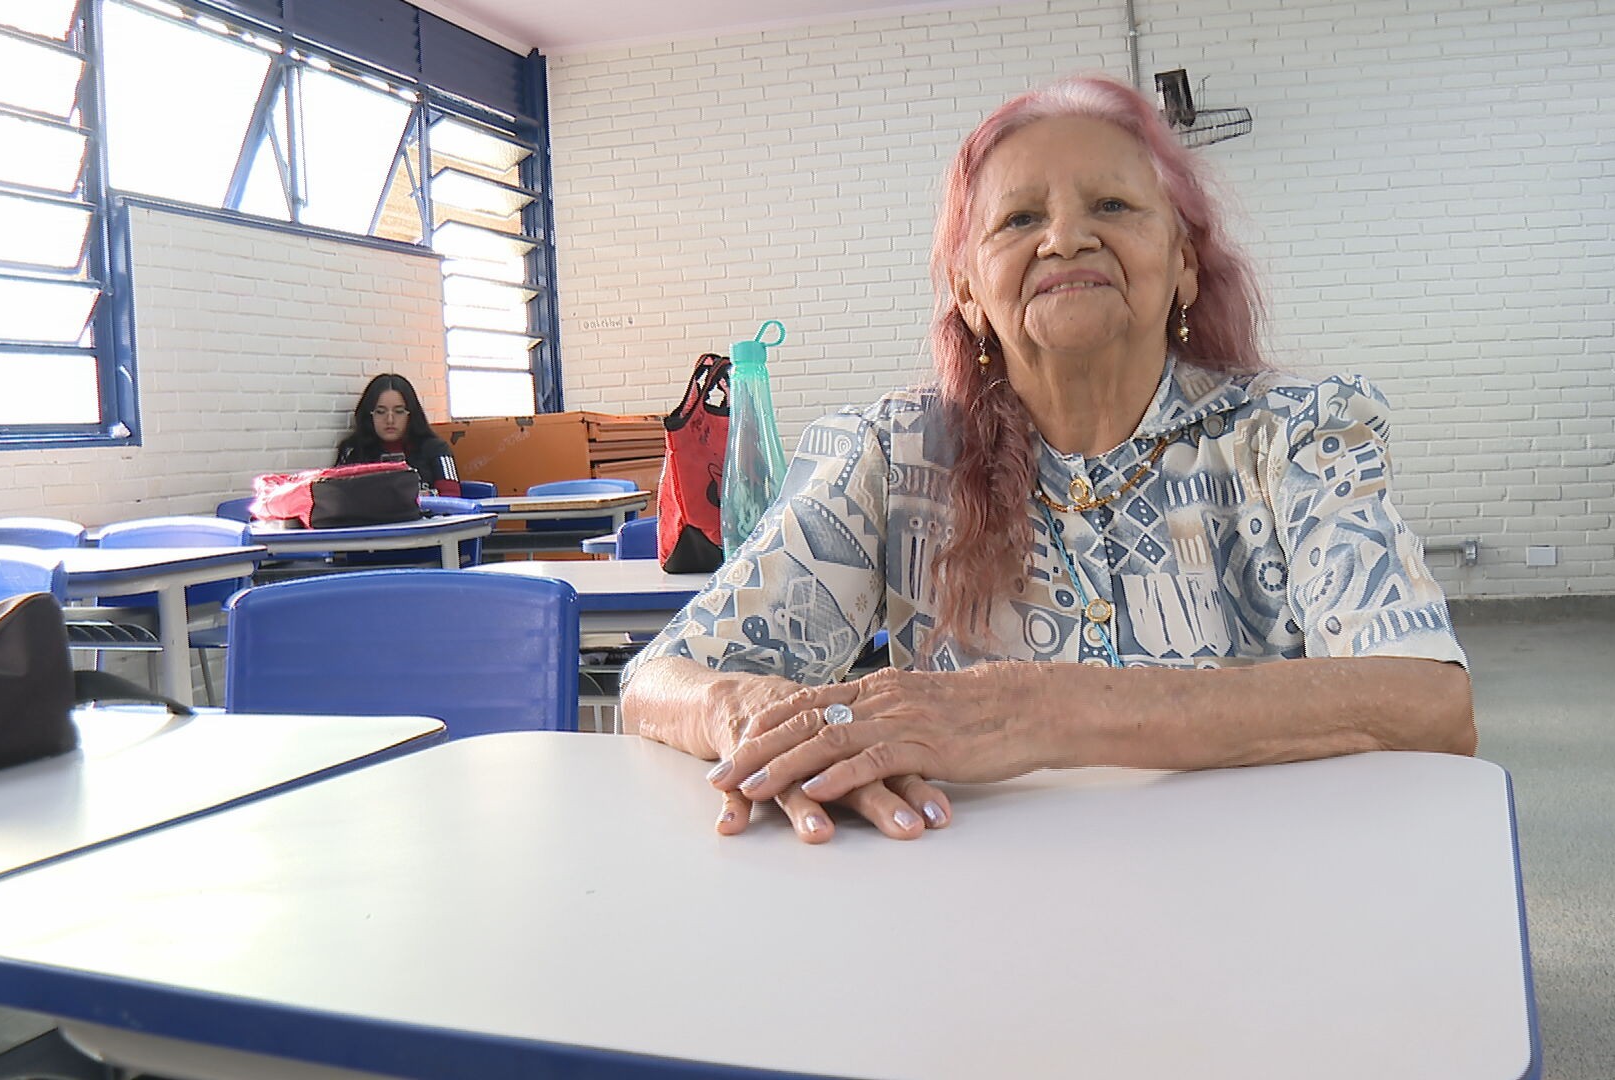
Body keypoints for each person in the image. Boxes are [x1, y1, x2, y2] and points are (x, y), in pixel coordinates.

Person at [621, 74, 1474, 845]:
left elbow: (1428, 703)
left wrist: (1036, 711)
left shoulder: (1297, 436)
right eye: (1021, 219)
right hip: (981, 910)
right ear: (968, 291)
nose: (1066, 238)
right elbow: (656, 681)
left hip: (1263, 886)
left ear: (1184, 263)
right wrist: (769, 719)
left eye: (1113, 205)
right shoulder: (890, 453)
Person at [334, 373, 461, 497]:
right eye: (380, 412)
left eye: (399, 411)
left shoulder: (436, 449)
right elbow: (336, 497)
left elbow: (452, 499)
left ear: (411, 414)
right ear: (369, 415)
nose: (390, 420)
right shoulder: (353, 450)